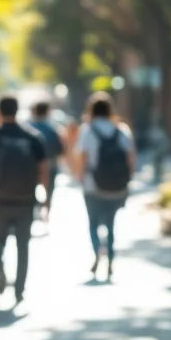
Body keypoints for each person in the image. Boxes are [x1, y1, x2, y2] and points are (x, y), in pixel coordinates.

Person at [0, 95, 49, 304]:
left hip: (0, 199)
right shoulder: (33, 136)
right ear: (17, 110)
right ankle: (19, 289)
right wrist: (45, 199)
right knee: (23, 246)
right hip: (26, 200)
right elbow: (44, 170)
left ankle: (0, 270)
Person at [71, 92, 135, 282]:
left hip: (93, 185)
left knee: (93, 223)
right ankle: (111, 259)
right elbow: (131, 159)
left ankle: (97, 252)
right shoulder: (122, 130)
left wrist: (80, 178)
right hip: (116, 186)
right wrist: (126, 179)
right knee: (110, 225)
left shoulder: (87, 130)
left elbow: (81, 158)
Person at [27, 101, 65, 223]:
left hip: (31, 166)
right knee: (49, 190)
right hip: (50, 164)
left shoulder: (28, 128)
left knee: (30, 189)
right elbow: (60, 149)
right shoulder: (53, 129)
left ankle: (32, 211)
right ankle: (46, 212)